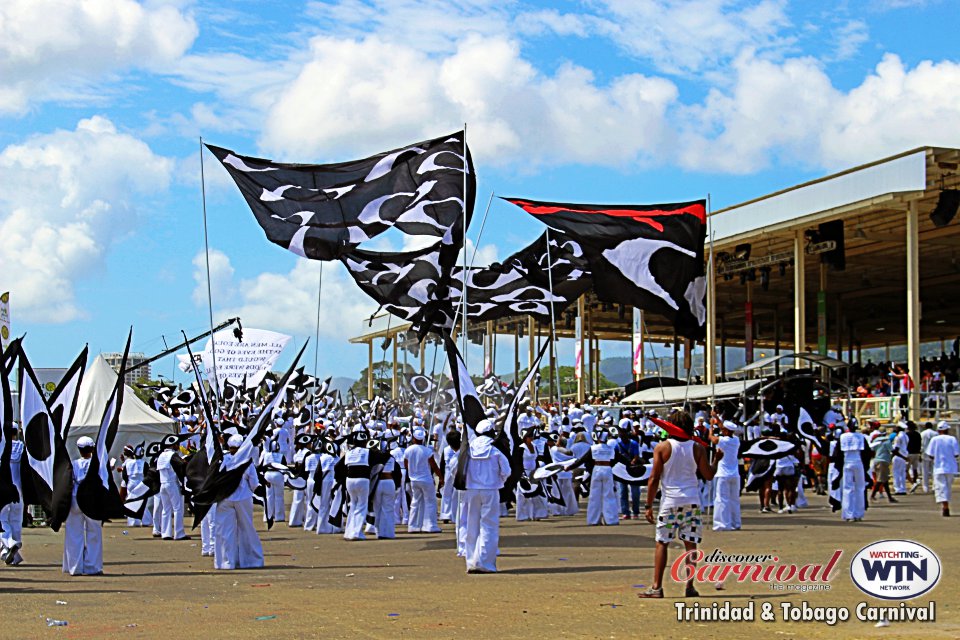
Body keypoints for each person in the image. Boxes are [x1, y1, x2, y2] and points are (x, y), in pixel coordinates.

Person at [639, 411, 722, 598]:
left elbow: (654, 478)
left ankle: (656, 587)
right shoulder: (698, 448)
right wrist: (716, 460)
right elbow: (708, 475)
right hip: (691, 501)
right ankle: (689, 586)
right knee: (690, 544)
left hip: (670, 502)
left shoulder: (662, 447)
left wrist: (648, 505)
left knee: (662, 542)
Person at [462, 419, 511, 574]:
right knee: (489, 525)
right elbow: (506, 471)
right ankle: (485, 562)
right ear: (491, 432)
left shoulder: (469, 449)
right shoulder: (495, 450)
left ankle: (471, 562)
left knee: (472, 525)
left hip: (472, 490)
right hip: (490, 490)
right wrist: (499, 481)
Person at [215, 435, 264, 570]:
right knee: (247, 529)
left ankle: (226, 562)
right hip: (243, 497)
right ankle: (251, 561)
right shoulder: (247, 462)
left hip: (224, 498)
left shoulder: (222, 461)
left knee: (225, 531)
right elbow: (254, 483)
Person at [63, 437, 103, 576]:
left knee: (74, 533)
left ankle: (75, 567)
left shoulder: (72, 464)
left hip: (75, 498)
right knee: (94, 533)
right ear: (92, 449)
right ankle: (93, 567)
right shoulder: (98, 464)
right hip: (92, 499)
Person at [404, 427, 443, 533]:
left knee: (415, 502)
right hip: (426, 479)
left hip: (414, 480)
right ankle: (431, 525)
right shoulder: (427, 451)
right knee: (430, 502)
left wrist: (413, 471)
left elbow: (406, 465)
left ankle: (412, 526)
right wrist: (441, 477)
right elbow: (434, 466)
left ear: (413, 438)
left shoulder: (408, 450)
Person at [710, 420, 741, 531]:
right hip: (734, 474)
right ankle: (735, 523)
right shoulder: (736, 440)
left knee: (721, 499)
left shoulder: (723, 440)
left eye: (723, 430)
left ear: (727, 431)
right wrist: (716, 418)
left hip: (723, 474)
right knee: (734, 500)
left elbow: (712, 439)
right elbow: (722, 427)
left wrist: (711, 429)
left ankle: (722, 524)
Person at [156, 437, 188, 540]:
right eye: (177, 444)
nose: (178, 446)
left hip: (163, 484)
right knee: (177, 509)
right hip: (172, 483)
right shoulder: (172, 455)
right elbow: (181, 464)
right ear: (173, 445)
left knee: (166, 509)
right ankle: (179, 533)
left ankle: (166, 533)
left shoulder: (161, 455)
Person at [0, 431, 24, 565]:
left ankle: (10, 543)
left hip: (2, 489)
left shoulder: (1, 447)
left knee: (2, 520)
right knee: (16, 521)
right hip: (18, 489)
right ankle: (10, 555)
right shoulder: (22, 448)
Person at [926, 422, 959, 517]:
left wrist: (938, 457)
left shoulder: (934, 440)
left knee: (941, 487)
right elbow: (956, 454)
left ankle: (945, 506)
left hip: (939, 467)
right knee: (948, 487)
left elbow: (930, 454)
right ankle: (946, 505)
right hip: (951, 467)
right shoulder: (952, 439)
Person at [839, 421, 868, 522]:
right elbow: (866, 453)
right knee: (860, 488)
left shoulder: (842, 437)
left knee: (847, 488)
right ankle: (859, 514)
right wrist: (866, 467)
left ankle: (848, 514)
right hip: (858, 462)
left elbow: (838, 454)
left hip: (847, 463)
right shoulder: (861, 437)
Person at [259, 439, 286, 524]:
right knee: (279, 496)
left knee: (269, 497)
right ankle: (279, 516)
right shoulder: (281, 456)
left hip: (268, 475)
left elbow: (262, 467)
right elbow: (284, 467)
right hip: (278, 475)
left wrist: (264, 478)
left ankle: (268, 516)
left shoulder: (266, 455)